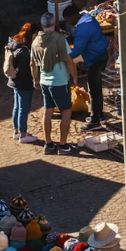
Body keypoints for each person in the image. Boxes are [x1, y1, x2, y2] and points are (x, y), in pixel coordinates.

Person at [32, 13, 78, 154]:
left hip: (45, 81)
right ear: (54, 24)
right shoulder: (59, 40)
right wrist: (75, 77)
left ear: (42, 24)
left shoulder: (35, 41)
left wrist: (36, 79)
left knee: (48, 112)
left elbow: (32, 63)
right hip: (59, 82)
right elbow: (69, 62)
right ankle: (63, 145)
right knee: (66, 112)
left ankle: (48, 144)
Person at [66, 5, 109, 131]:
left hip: (95, 59)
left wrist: (62, 56)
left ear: (72, 16)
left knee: (94, 90)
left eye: (68, 19)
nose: (68, 22)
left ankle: (95, 120)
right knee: (97, 88)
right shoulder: (88, 18)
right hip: (101, 54)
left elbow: (77, 50)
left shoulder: (83, 28)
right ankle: (99, 115)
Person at [4, 23, 39, 144]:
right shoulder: (24, 51)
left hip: (14, 81)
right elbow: (27, 69)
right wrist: (35, 79)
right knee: (24, 108)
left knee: (17, 107)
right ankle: (23, 135)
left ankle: (16, 131)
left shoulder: (14, 43)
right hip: (24, 82)